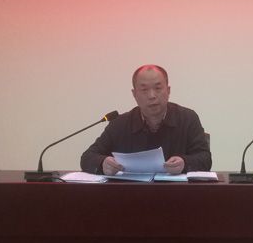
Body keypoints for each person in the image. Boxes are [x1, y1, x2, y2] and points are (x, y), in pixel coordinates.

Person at [80, 65, 211, 175]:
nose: (152, 96)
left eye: (158, 88)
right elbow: (87, 157)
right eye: (144, 89)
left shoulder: (187, 118)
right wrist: (102, 163)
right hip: (130, 194)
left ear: (168, 90)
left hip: (176, 194)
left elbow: (205, 159)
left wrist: (185, 163)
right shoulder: (120, 124)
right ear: (134, 94)